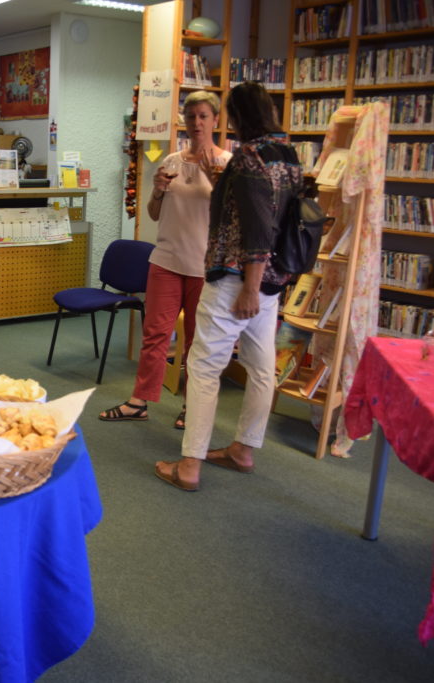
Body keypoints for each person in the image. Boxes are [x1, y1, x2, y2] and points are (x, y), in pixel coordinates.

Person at [154, 81, 303, 492]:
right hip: (272, 282)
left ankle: (189, 465)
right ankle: (243, 450)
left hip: (237, 282)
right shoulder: (288, 155)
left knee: (203, 367)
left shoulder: (250, 159)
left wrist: (249, 288)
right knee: (259, 368)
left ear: (236, 117)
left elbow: (256, 229)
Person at [98, 91, 230, 430]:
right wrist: (156, 191)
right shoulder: (171, 161)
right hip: (166, 261)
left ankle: (191, 405)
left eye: (203, 116)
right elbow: (155, 215)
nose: (197, 123)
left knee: (197, 341)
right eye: (191, 116)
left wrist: (217, 184)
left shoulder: (226, 165)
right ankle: (139, 401)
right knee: (155, 335)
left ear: (215, 120)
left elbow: (231, 220)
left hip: (204, 267)